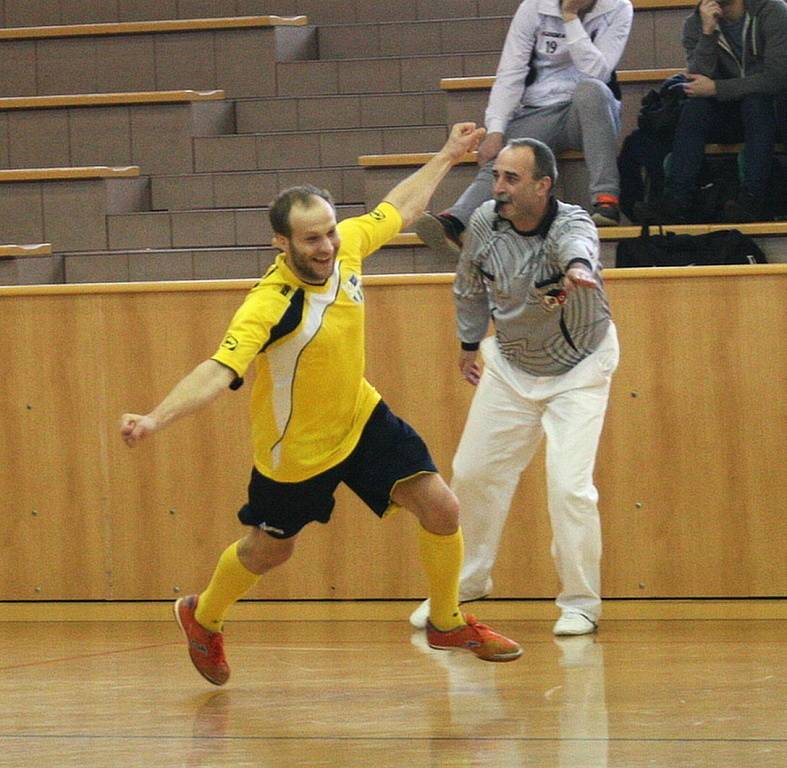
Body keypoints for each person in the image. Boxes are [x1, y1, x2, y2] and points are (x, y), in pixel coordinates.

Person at [119, 123, 523, 687]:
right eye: (311, 240)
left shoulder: (347, 247)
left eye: (329, 233)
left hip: (359, 418)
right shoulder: (269, 305)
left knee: (441, 508)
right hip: (296, 453)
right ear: (282, 244)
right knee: (268, 553)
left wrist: (449, 156)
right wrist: (155, 418)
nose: (327, 247)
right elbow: (217, 370)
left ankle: (447, 622)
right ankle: (203, 616)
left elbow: (397, 210)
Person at [410, 138, 619, 637]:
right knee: (473, 471)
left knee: (569, 488)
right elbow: (468, 283)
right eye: (496, 176)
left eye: (511, 179)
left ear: (543, 186)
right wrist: (467, 343)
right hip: (512, 364)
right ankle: (464, 584)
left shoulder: (571, 222)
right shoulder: (484, 220)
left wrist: (577, 271)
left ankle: (580, 602)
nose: (498, 187)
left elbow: (579, 251)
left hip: (579, 369)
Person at [414, 0, 633, 261]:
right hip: (538, 109)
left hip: (590, 111)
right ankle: (455, 221)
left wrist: (571, 18)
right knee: (506, 154)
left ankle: (606, 200)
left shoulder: (619, 8)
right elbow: (511, 70)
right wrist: (496, 129)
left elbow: (597, 71)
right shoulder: (534, 7)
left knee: (592, 90)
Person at [651, 0, 787, 223]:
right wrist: (708, 33)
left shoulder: (771, 10)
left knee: (756, 101)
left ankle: (753, 197)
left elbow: (777, 78)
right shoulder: (696, 23)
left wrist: (717, 88)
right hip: (729, 113)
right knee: (695, 106)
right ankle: (677, 199)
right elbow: (698, 77)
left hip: (774, 111)